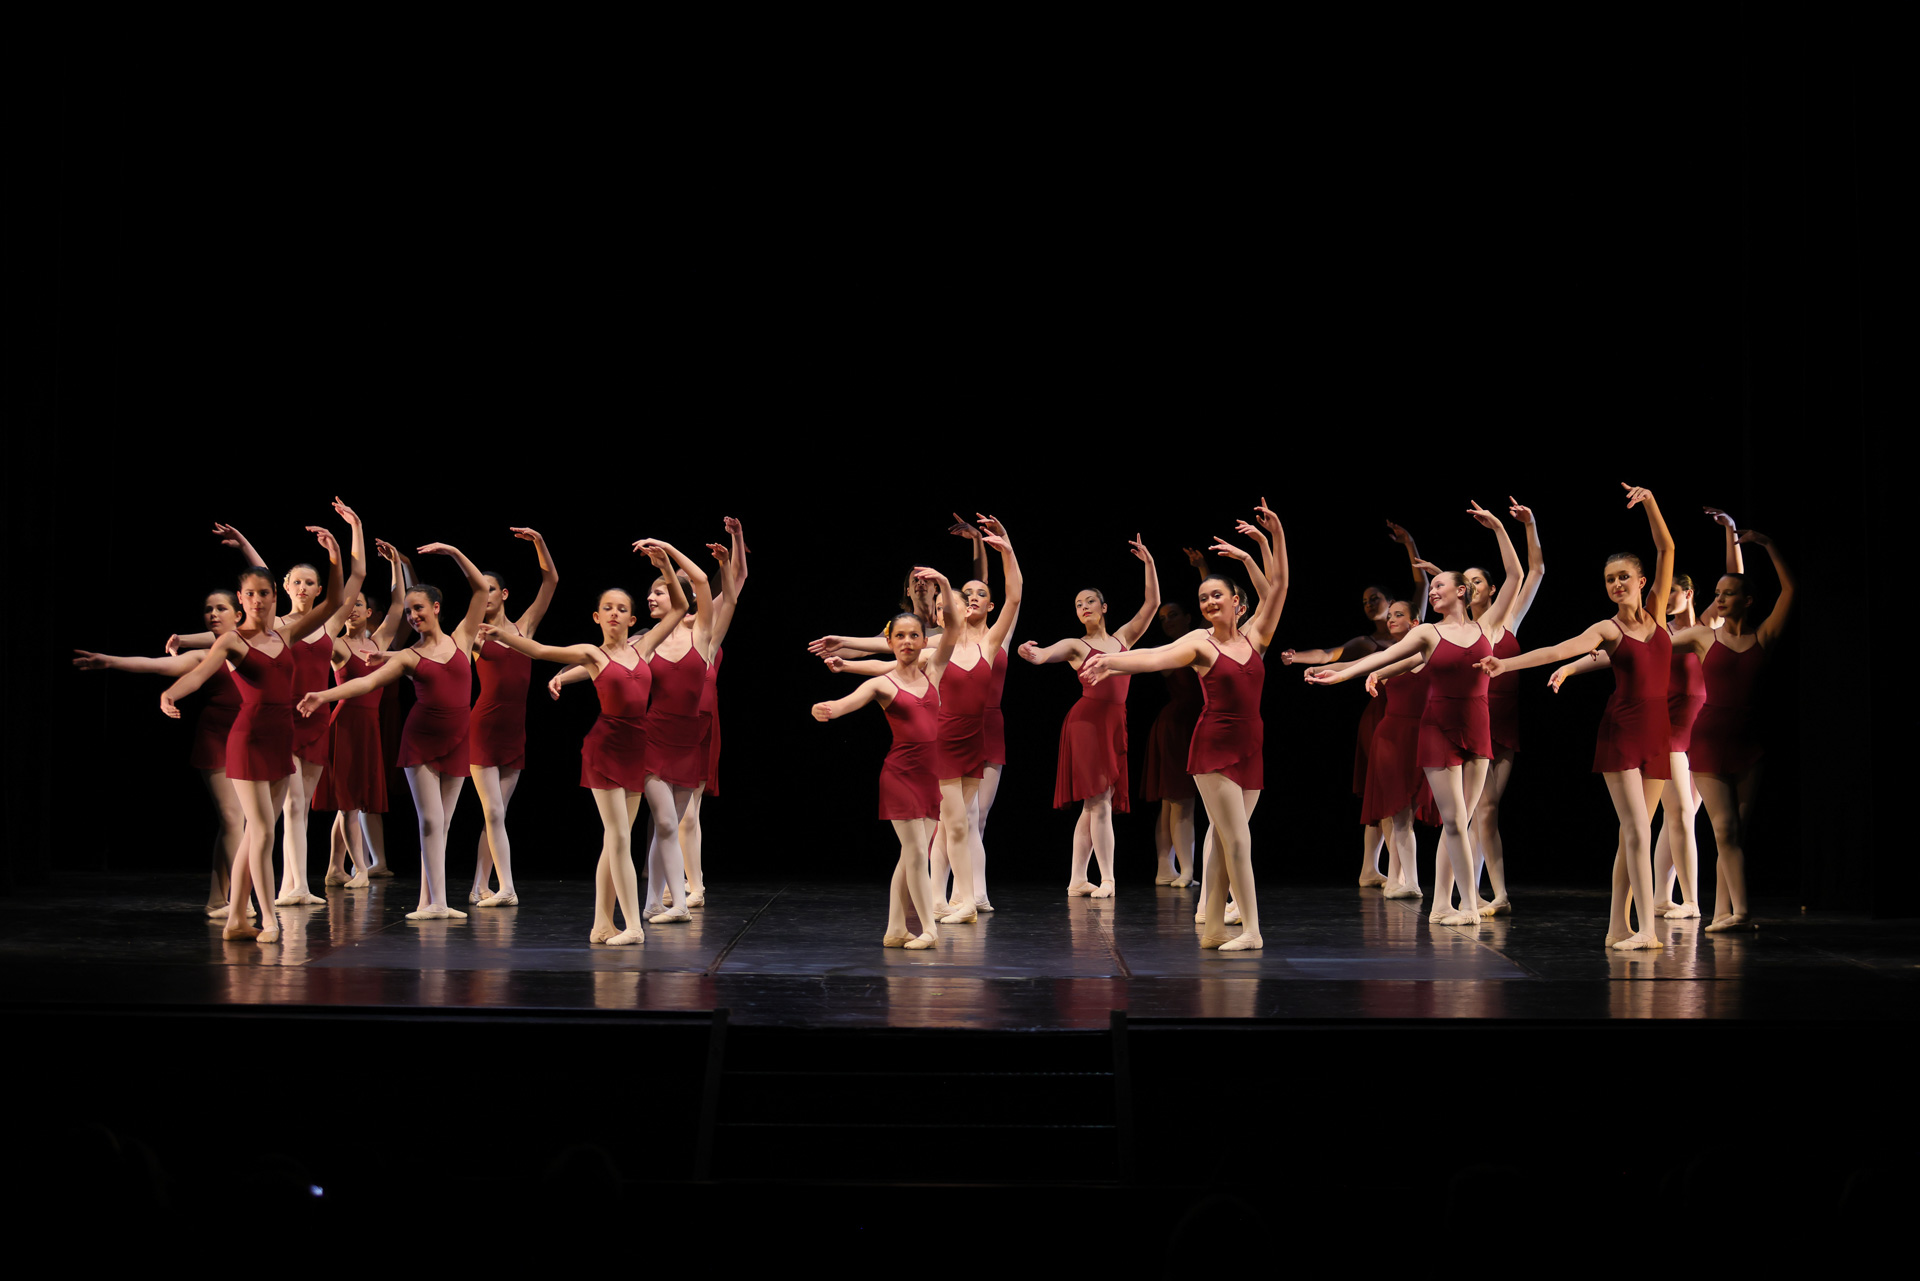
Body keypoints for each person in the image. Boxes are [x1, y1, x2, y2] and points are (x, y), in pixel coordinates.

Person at [1476, 485, 1678, 949]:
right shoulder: (1608, 627)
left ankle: (1617, 927)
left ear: (1642, 581)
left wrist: (1650, 503)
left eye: (1624, 577)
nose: (1617, 584)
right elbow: (1557, 649)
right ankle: (1646, 930)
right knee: (1636, 832)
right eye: (1610, 580)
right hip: (1622, 733)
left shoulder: (1658, 615)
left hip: (1658, 733)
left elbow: (1666, 548)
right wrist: (1506, 663)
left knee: (1635, 835)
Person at [1306, 500, 1526, 929]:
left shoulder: (1488, 627)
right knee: (1454, 820)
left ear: (1462, 592)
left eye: (1441, 585)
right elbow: (1383, 658)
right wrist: (1341, 674)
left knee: (1460, 821)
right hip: (1437, 730)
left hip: (1477, 727)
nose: (1434, 590)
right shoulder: (1427, 632)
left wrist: (1500, 527)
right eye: (1433, 587)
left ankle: (1442, 904)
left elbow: (1516, 575)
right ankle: (1467, 904)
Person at [1082, 502, 1289, 950]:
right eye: (1203, 598)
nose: (1209, 602)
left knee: (1224, 839)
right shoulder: (1200, 643)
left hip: (1251, 746)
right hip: (1213, 748)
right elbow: (1153, 657)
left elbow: (1279, 587)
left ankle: (1213, 926)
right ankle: (1252, 931)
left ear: (1237, 603)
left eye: (1217, 596)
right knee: (1236, 841)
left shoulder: (1257, 637)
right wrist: (1111, 662)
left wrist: (1268, 539)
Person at [160, 509, 357, 943]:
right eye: (250, 594)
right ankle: (268, 919)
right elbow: (199, 673)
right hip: (247, 740)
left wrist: (335, 556)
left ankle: (235, 919)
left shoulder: (285, 635)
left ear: (272, 596)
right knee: (265, 831)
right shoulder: (232, 640)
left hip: (280, 738)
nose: (258, 600)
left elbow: (333, 602)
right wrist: (171, 694)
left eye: (264, 593)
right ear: (240, 598)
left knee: (256, 833)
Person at [480, 545, 687, 942]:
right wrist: (502, 634)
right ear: (597, 617)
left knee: (615, 842)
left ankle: (601, 924)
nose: (614, 614)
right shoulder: (592, 654)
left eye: (622, 609)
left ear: (632, 618)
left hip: (637, 748)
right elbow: (540, 650)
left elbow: (679, 608)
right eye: (607, 608)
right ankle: (633, 926)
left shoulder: (644, 646)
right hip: (605, 749)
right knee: (620, 838)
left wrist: (665, 563)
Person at [826, 518, 1023, 922]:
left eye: (969, 598)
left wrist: (1007, 549)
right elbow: (889, 662)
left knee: (957, 825)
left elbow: (1015, 596)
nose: (964, 603)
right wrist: (848, 662)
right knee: (953, 824)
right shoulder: (935, 649)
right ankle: (958, 901)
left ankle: (953, 900)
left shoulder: (988, 645)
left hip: (974, 742)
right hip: (944, 742)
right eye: (958, 599)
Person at [296, 541, 491, 921]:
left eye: (420, 609)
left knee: (443, 825)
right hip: (420, 741)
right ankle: (435, 903)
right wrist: (324, 695)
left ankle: (427, 902)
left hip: (458, 740)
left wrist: (453, 552)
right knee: (430, 822)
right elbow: (365, 684)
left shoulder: (463, 638)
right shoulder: (407, 656)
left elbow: (481, 589)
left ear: (436, 608)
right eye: (410, 611)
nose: (413, 616)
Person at [73, 590, 248, 917]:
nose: (213, 614)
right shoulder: (205, 656)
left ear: (239, 614)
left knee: (236, 823)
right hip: (216, 737)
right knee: (232, 818)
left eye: (221, 608)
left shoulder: (256, 648)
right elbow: (156, 665)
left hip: (250, 739)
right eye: (208, 609)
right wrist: (109, 661)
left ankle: (217, 900)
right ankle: (240, 900)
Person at [1280, 521, 1430, 886]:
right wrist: (1301, 659)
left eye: (1377, 599)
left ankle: (1375, 869)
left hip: (1415, 722)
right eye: (1366, 602)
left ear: (1409, 615)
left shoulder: (1422, 637)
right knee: (1385, 794)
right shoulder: (1369, 643)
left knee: (1395, 796)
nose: (1372, 606)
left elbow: (1423, 586)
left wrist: (1409, 543)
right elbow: (1335, 657)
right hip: (1382, 717)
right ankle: (1389, 872)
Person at [1018, 536, 1160, 897]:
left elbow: (1152, 604)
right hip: (1086, 724)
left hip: (1114, 723)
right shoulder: (1076, 645)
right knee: (1099, 802)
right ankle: (1108, 879)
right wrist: (1028, 651)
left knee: (1094, 804)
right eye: (1078, 604)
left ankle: (1077, 879)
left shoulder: (1123, 639)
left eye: (1090, 601)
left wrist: (1149, 564)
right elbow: (1043, 655)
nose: (1083, 607)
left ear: (1104, 607)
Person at [812, 610, 947, 949]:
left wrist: (945, 587)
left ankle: (896, 929)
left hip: (930, 776)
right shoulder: (882, 684)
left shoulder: (933, 669)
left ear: (925, 641)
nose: (907, 641)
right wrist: (826, 708)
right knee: (917, 852)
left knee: (911, 856)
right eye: (899, 636)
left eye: (914, 635)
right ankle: (929, 929)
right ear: (889, 642)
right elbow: (844, 704)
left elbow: (953, 632)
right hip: (901, 776)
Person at [464, 527, 560, 907]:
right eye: (479, 590)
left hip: (514, 732)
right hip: (483, 728)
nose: (484, 595)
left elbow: (551, 581)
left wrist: (539, 542)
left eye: (490, 589)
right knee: (492, 811)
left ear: (503, 594)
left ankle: (479, 885)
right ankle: (506, 888)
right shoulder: (474, 635)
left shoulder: (524, 629)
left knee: (497, 815)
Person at [1463, 497, 1546, 915]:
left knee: (1488, 808)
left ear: (1492, 588)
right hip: (1473, 723)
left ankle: (1487, 894)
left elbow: (1535, 571)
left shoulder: (1508, 620)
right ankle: (1488, 894)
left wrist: (1527, 525)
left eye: (1478, 580)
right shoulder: (1462, 629)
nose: (1473, 586)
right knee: (1479, 809)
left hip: (1506, 723)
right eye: (1467, 582)